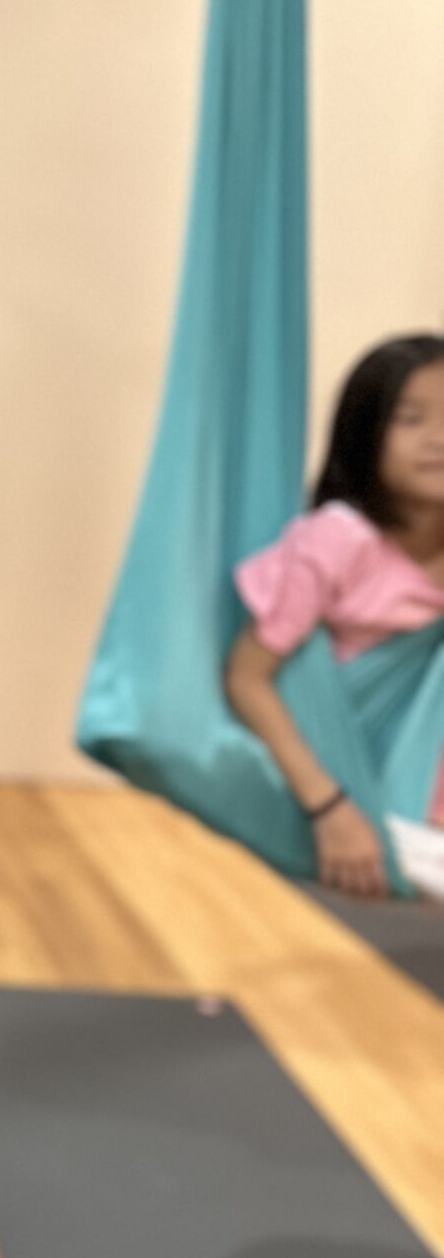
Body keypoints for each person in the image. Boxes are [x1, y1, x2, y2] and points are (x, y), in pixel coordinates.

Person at [225, 332, 444, 900]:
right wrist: (329, 807)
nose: (437, 438)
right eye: (410, 418)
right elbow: (248, 678)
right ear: (365, 433)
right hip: (354, 797)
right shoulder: (337, 543)